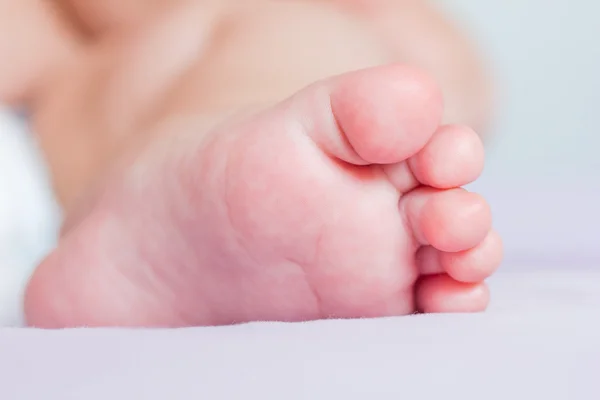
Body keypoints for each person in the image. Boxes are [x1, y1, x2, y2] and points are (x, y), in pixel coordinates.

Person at [0, 0, 502, 327]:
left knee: (296, 34)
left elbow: (447, 80)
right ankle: (205, 203)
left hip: (81, 194)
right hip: (33, 157)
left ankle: (226, 193)